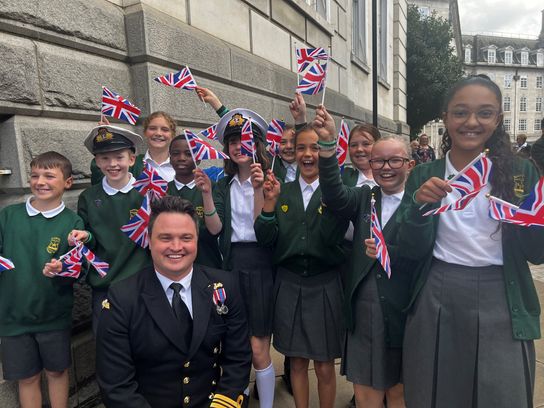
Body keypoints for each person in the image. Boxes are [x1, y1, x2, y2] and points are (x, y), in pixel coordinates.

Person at [397, 75, 543, 407]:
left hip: (502, 297)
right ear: (445, 117)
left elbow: (538, 253)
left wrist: (529, 219)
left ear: (499, 119)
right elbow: (409, 249)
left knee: (501, 393)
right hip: (438, 292)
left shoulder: (522, 173)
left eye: (485, 113)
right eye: (460, 112)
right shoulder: (423, 174)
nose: (472, 122)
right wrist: (420, 207)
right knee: (435, 391)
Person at [96, 196, 251, 408]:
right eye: (166, 238)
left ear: (197, 240)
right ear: (150, 241)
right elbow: (116, 385)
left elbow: (238, 360)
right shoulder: (123, 298)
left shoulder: (225, 286)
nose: (176, 247)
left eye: (186, 237)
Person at [312, 107, 416, 408]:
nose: (386, 167)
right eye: (379, 161)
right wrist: (329, 146)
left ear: (408, 164)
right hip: (365, 309)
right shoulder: (364, 198)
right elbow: (333, 195)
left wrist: (389, 253)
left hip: (405, 311)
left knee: (399, 393)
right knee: (367, 392)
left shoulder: (419, 201)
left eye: (394, 160)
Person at [254, 125, 348, 408]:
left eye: (316, 148)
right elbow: (265, 238)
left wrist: (334, 201)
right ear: (293, 154)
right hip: (290, 283)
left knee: (323, 365)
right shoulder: (282, 190)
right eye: (301, 148)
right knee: (296, 362)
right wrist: (269, 204)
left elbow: (336, 236)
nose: (308, 154)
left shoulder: (338, 193)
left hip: (324, 284)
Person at [200, 109, 276, 408]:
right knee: (235, 341)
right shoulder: (222, 184)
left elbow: (265, 231)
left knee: (258, 346)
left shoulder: (271, 180)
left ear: (257, 145)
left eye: (245, 139)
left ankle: (267, 404)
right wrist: (206, 194)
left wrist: (259, 190)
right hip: (230, 265)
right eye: (232, 141)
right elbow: (215, 228)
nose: (238, 145)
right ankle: (238, 397)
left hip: (259, 265)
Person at [0, 152, 86, 408]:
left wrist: (62, 268)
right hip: (13, 315)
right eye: (35, 175)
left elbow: (77, 269)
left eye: (49, 175)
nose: (40, 181)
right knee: (27, 377)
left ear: (67, 182)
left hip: (53, 314)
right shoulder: (9, 215)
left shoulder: (72, 222)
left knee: (57, 372)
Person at [72, 125, 152, 332]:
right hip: (105, 286)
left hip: (143, 283)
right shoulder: (88, 198)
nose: (113, 164)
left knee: (146, 345)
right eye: (105, 158)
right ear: (96, 162)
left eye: (119, 157)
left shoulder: (149, 192)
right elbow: (90, 240)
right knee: (108, 348)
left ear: (132, 159)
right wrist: (84, 237)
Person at [167, 135, 222, 268]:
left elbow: (215, 230)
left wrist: (206, 194)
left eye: (188, 154)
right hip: (173, 266)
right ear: (169, 157)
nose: (181, 158)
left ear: (198, 158)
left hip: (208, 264)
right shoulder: (163, 190)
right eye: (175, 153)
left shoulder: (213, 187)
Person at [90, 112, 177, 184]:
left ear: (172, 135)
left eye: (165, 130)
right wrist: (107, 142)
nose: (158, 133)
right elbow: (99, 180)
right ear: (145, 132)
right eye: (152, 128)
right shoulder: (131, 163)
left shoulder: (182, 165)